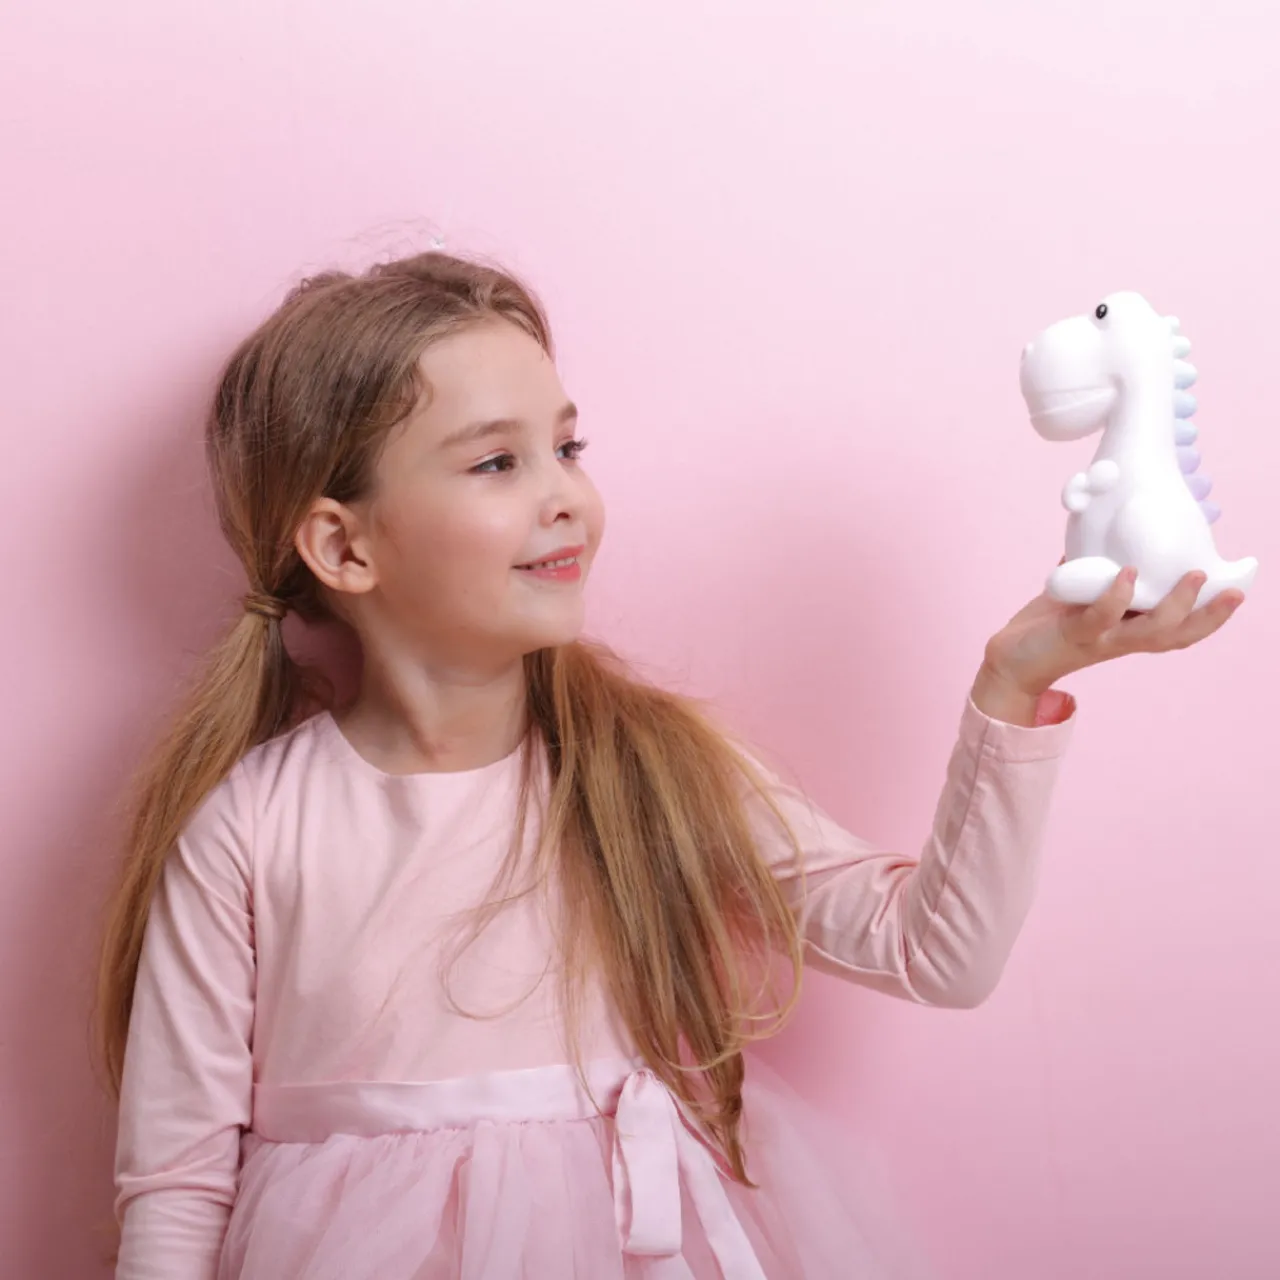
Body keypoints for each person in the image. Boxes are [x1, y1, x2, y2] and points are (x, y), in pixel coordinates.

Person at [95, 250, 1243, 1280]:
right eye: (496, 461)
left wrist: (1009, 685)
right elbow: (176, 1186)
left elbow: (934, 951)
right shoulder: (250, 829)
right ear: (344, 545)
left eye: (566, 447)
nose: (563, 494)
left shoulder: (648, 770)